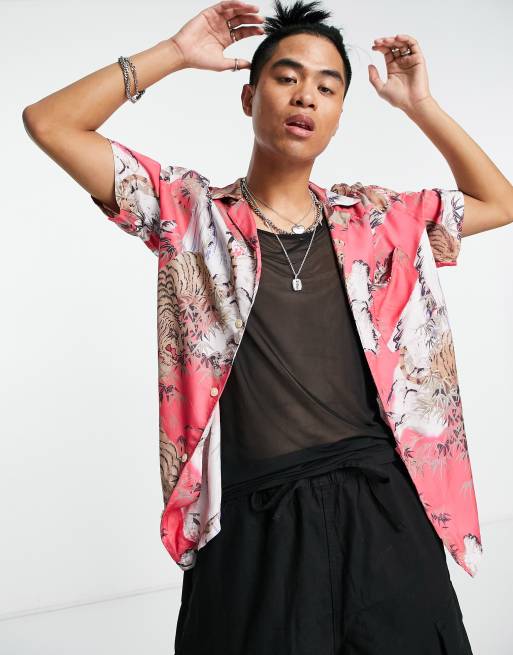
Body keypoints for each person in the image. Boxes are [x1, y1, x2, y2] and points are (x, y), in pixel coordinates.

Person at [22, 0, 513, 653]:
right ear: (249, 96)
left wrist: (419, 105)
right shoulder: (190, 215)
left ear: (337, 116)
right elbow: (50, 123)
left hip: (384, 514)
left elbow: (498, 200)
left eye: (326, 87)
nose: (305, 95)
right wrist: (175, 53)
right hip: (252, 523)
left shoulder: (377, 221)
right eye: (286, 77)